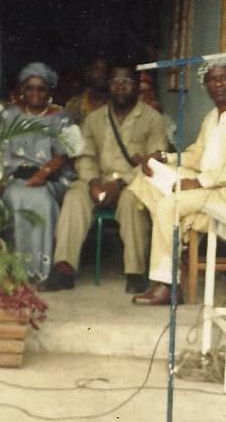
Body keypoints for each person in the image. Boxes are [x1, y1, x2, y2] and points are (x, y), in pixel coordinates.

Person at [129, 57, 226, 306]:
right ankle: (176, 234)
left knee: (167, 206)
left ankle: (167, 284)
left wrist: (198, 182)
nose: (218, 85)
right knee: (146, 174)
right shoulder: (212, 116)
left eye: (223, 78)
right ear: (206, 85)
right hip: (207, 189)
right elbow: (196, 155)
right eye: (212, 80)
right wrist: (165, 157)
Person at [43, 64, 168, 292]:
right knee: (74, 197)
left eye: (127, 81)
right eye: (115, 82)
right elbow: (85, 156)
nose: (120, 87)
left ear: (137, 86)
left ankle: (135, 273)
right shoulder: (94, 119)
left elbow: (154, 162)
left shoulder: (153, 119)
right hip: (98, 180)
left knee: (132, 201)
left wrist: (119, 183)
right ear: (107, 85)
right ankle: (64, 269)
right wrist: (93, 182)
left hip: (133, 183)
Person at [0, 62, 83, 281]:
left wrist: (43, 173)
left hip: (50, 179)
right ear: (22, 90)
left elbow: (64, 154)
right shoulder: (9, 115)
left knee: (43, 201)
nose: (35, 93)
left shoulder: (62, 116)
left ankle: (41, 270)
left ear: (49, 91)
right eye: (30, 88)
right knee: (14, 197)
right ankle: (17, 269)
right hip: (15, 178)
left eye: (41, 89)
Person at [65, 55, 109, 125]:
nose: (101, 73)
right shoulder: (74, 105)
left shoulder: (114, 105)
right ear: (88, 72)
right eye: (96, 68)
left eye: (104, 70)